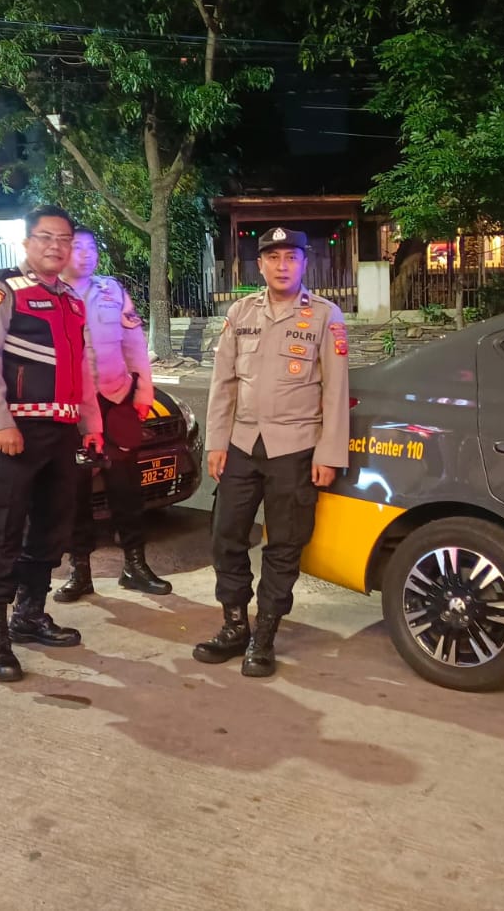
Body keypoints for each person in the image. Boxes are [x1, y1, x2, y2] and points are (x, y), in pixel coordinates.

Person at [196, 226, 350, 677]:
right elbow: (223, 383)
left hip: (296, 448)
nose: (282, 266)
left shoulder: (325, 315)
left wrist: (328, 453)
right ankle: (234, 626)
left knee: (284, 544)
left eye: (291, 258)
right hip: (242, 445)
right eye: (273, 258)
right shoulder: (240, 312)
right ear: (259, 265)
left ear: (304, 263)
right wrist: (217, 442)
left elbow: (336, 390)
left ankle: (264, 637)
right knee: (226, 537)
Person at [0, 206, 103, 682]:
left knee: (52, 526)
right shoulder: (3, 290)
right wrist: (0, 422)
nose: (55, 246)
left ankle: (29, 614)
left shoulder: (71, 300)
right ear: (27, 243)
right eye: (46, 237)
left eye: (64, 239)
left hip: (62, 430)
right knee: (2, 530)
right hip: (18, 433)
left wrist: (91, 424)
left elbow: (82, 368)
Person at [54, 229, 173, 602]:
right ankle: (80, 571)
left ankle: (134, 566)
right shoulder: (50, 293)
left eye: (92, 248)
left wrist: (144, 391)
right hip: (72, 406)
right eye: (78, 247)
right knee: (75, 489)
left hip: (116, 397)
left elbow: (134, 344)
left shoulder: (112, 291)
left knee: (127, 486)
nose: (86, 254)